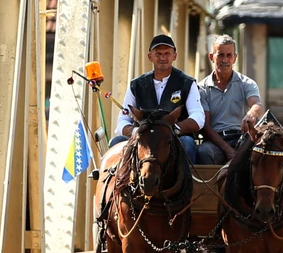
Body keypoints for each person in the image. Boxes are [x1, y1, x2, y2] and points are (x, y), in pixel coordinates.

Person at [110, 34, 204, 163]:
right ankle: (120, 182)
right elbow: (123, 120)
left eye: (167, 53)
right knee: (116, 142)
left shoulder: (187, 83)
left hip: (174, 139)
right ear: (150, 56)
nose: (163, 57)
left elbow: (198, 117)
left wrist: (174, 129)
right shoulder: (137, 85)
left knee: (187, 142)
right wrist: (136, 131)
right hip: (142, 139)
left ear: (174, 56)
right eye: (158, 54)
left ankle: (189, 182)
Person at [195, 34, 264, 165]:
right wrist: (227, 149)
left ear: (235, 58)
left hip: (242, 138)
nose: (225, 59)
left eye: (229, 55)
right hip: (216, 142)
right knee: (204, 152)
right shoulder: (201, 89)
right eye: (220, 55)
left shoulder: (247, 83)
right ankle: (210, 186)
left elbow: (257, 105)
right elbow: (205, 127)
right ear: (211, 57)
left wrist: (251, 114)